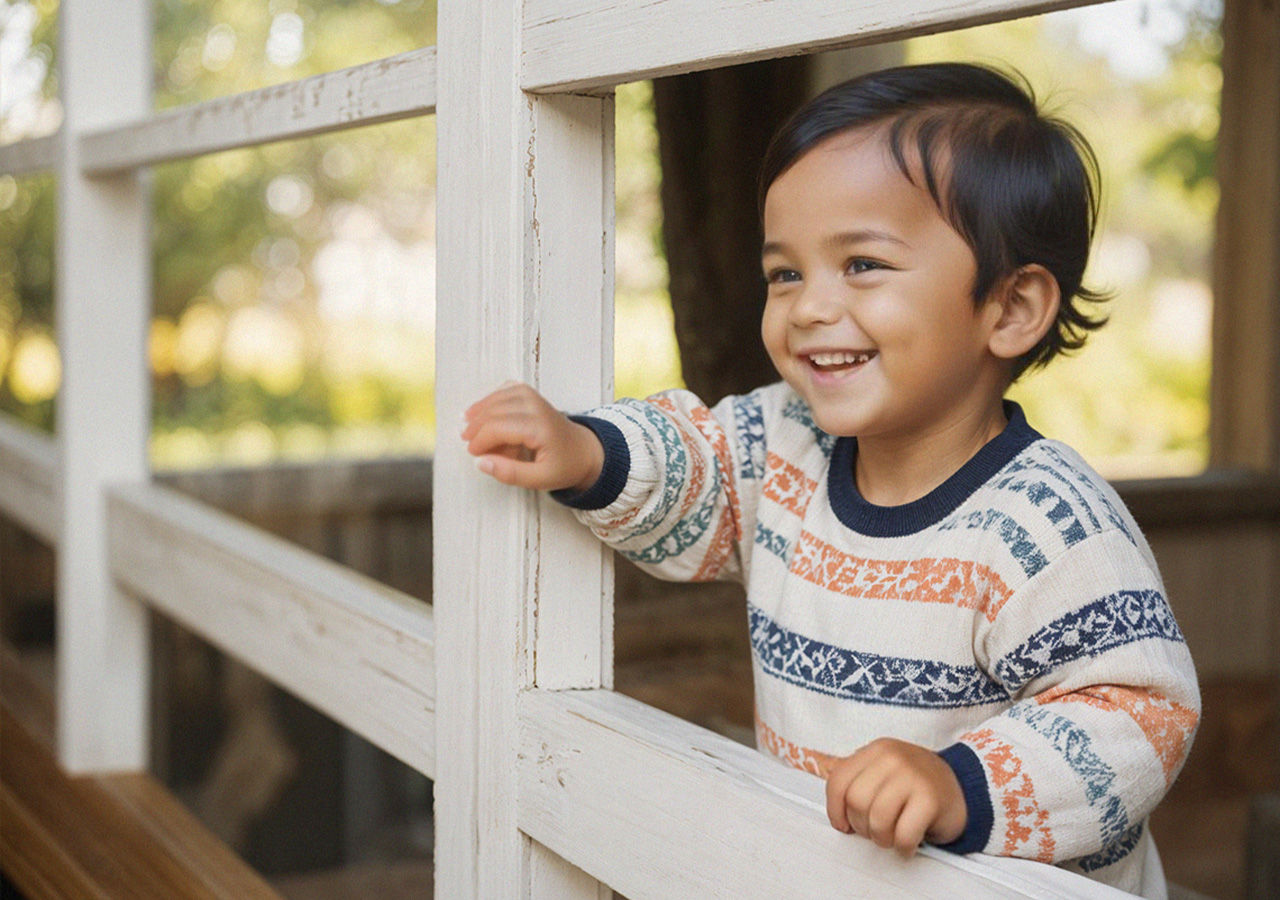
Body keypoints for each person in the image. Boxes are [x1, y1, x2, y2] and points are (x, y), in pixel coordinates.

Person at [462, 62, 1199, 896]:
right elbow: (698, 466)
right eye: (785, 272)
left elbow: (1139, 717)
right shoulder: (786, 443)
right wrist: (587, 453)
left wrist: (961, 782)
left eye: (861, 265)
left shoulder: (1047, 526)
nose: (809, 306)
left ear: (1010, 308)